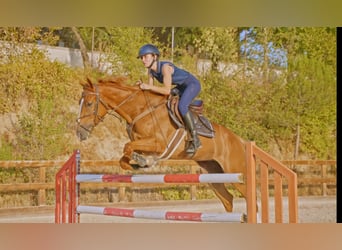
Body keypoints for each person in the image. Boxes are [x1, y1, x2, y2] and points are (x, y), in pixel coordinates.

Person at [136, 44, 202, 154]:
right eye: (141, 58)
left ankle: (195, 139)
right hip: (180, 87)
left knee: (182, 106)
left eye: (145, 57)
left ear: (155, 57)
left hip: (192, 84)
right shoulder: (150, 71)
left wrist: (148, 87)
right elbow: (150, 91)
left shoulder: (165, 68)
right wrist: (140, 87)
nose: (143, 60)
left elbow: (166, 90)